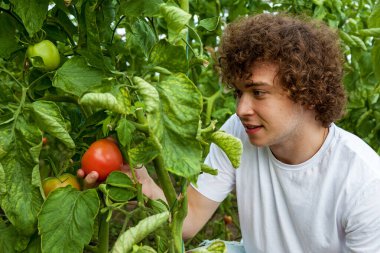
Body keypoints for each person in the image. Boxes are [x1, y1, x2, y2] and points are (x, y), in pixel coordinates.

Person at [79, 13, 380, 253]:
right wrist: (141, 184)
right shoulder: (239, 132)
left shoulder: (364, 181)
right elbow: (190, 218)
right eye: (238, 93)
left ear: (308, 94)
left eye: (258, 92)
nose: (240, 109)